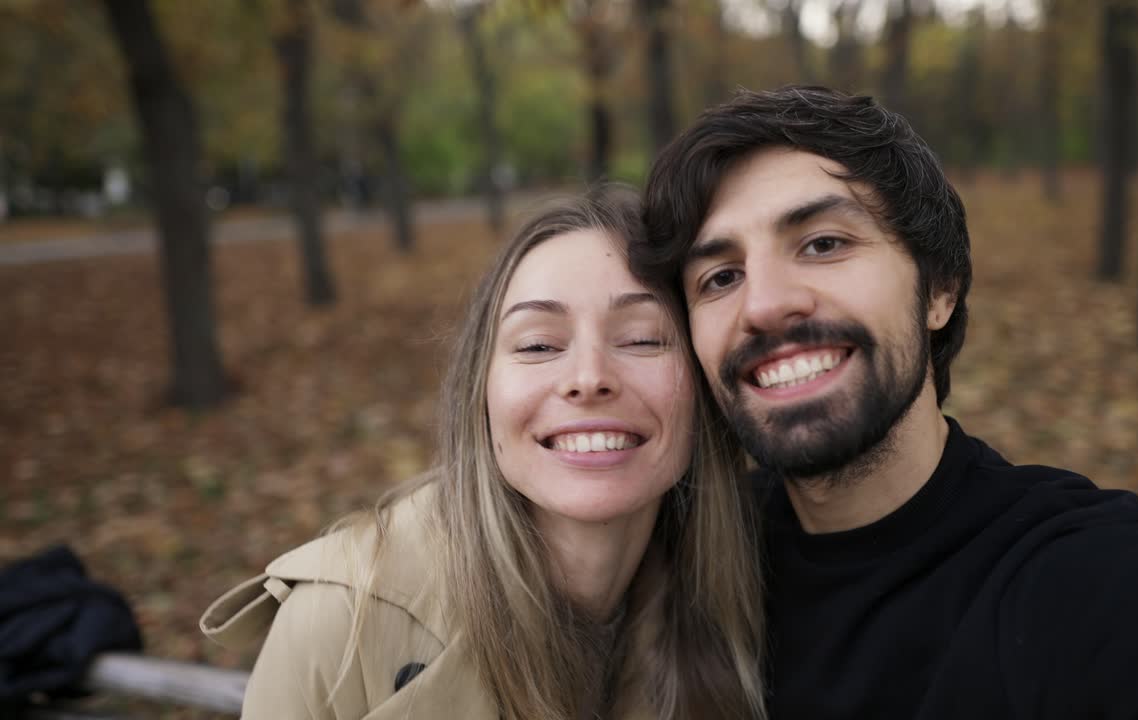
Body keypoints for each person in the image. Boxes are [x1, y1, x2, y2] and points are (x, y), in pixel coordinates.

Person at [633, 86, 1138, 718]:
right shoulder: (680, 564)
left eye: (823, 243)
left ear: (939, 288)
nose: (766, 304)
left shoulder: (1115, 586)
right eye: (720, 277)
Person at [200, 187, 765, 720]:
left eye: (642, 338)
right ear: (482, 393)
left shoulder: (757, 601)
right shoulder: (338, 626)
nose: (589, 378)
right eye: (539, 344)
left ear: (702, 385)